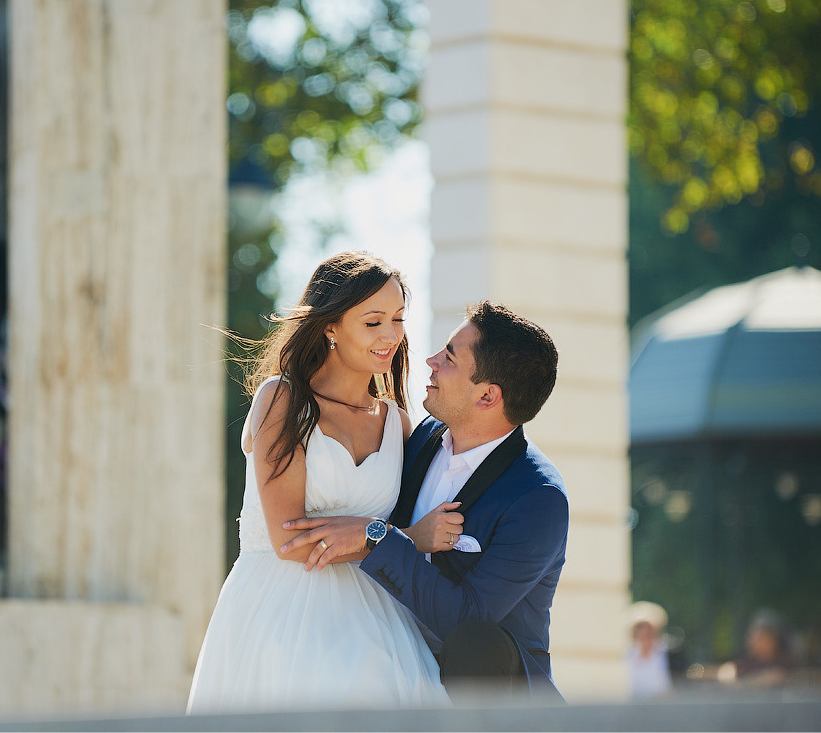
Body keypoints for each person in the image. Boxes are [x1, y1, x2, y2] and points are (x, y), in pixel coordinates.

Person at [187, 252, 449, 712]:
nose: (391, 335)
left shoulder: (398, 424)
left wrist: (377, 537)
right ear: (330, 326)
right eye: (373, 322)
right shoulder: (282, 400)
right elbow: (293, 542)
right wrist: (399, 536)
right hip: (284, 611)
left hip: (378, 616)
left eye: (398, 318)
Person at [283, 302, 569, 702]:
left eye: (449, 358)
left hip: (489, 702)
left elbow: (468, 621)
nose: (431, 361)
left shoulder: (538, 499)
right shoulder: (423, 437)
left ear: (487, 395)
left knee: (476, 642)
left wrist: (376, 537)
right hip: (387, 659)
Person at [627, 601, 673, 700]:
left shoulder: (664, 651)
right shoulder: (627, 652)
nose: (644, 631)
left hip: (658, 704)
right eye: (640, 627)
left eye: (648, 627)